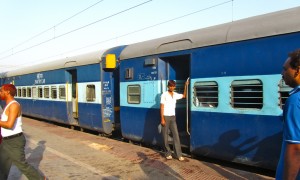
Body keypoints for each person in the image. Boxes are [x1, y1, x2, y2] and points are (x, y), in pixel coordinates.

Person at [0, 84, 45, 180]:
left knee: (22, 165)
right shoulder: (8, 105)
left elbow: (9, 124)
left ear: (7, 92)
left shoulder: (14, 105)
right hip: (6, 141)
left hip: (14, 140)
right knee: (2, 165)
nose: (0, 93)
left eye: (1, 91)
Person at [276, 49, 300, 179]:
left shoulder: (295, 100)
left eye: (285, 69)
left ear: (297, 70)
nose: (282, 73)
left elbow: (296, 148)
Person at [160, 79, 189, 161]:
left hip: (173, 117)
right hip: (165, 116)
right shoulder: (164, 95)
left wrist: (186, 85)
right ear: (168, 86)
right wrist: (162, 119)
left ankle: (178, 154)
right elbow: (162, 107)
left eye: (173, 86)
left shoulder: (175, 94)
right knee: (165, 136)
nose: (172, 87)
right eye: (170, 86)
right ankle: (168, 153)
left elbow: (184, 96)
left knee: (176, 135)